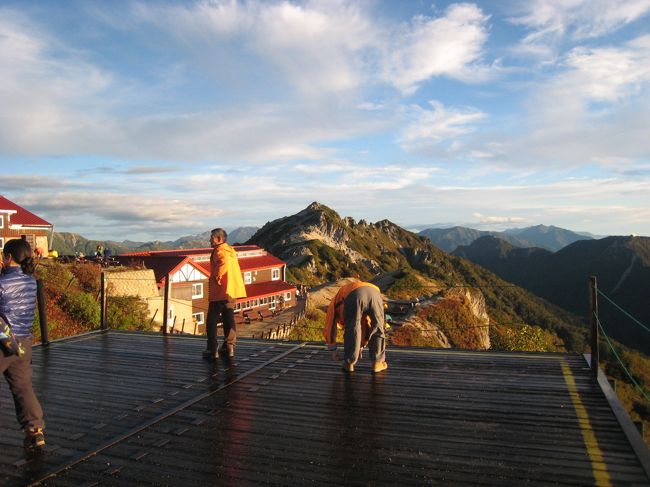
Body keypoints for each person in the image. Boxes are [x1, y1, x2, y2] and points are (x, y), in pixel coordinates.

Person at [0, 239, 46, 449]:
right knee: (22, 387)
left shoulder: (2, 283)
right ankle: (35, 431)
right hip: (23, 343)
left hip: (3, 341)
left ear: (8, 257)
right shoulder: (30, 281)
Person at [324, 280, 388, 373]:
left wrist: (333, 350)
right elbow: (366, 323)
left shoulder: (334, 302)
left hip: (354, 294)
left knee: (352, 327)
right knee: (378, 326)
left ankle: (349, 363)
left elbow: (330, 325)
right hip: (375, 293)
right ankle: (377, 363)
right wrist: (360, 347)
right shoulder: (345, 292)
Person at [203, 228, 246, 361]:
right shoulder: (231, 251)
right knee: (229, 319)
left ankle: (212, 349)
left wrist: (217, 275)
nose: (210, 240)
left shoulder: (219, 250)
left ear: (219, 239)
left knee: (211, 321)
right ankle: (229, 347)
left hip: (221, 292)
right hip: (232, 291)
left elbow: (223, 262)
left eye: (212, 237)